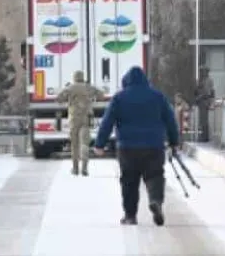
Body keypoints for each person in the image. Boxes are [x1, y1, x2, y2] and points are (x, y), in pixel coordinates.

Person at [94, 66, 179, 226]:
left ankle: (130, 216)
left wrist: (100, 144)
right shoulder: (158, 96)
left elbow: (107, 121)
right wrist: (174, 142)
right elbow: (170, 120)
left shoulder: (119, 98)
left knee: (129, 180)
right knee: (155, 175)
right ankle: (155, 201)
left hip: (127, 147)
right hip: (154, 146)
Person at [56, 70, 104, 176]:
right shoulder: (89, 87)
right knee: (84, 143)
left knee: (74, 145)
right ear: (82, 77)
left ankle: (75, 168)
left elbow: (59, 98)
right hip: (86, 118)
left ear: (74, 77)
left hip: (74, 119)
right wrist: (92, 99)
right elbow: (101, 95)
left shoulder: (70, 87)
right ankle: (85, 168)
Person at [194, 65, 214, 142]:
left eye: (202, 71)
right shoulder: (202, 80)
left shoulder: (208, 80)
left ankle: (204, 137)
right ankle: (202, 136)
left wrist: (199, 97)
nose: (201, 73)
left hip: (205, 101)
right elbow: (197, 91)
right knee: (202, 121)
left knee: (204, 120)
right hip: (201, 102)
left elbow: (207, 92)